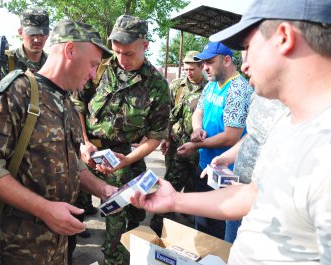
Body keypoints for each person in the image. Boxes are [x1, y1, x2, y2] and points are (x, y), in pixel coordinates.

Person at [132, 0, 331, 263]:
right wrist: (174, 201)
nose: (244, 63)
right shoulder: (287, 124)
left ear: (284, 37)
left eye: (248, 47)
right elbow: (253, 194)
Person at [0, 20, 115, 265]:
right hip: (19, 246)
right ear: (69, 50)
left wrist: (104, 190)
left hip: (59, 241)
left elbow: (71, 164)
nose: (92, 74)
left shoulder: (65, 102)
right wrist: (45, 209)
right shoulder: (14, 94)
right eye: (93, 65)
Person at [72, 14, 170, 265]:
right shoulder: (100, 66)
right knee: (78, 202)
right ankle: (111, 256)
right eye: (117, 52)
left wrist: (126, 160)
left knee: (129, 207)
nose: (122, 59)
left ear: (145, 46)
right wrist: (83, 142)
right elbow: (78, 105)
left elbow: (155, 136)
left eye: (129, 53)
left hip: (123, 154)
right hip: (87, 147)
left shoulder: (157, 85)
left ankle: (121, 247)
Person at [177, 42, 253, 239]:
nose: (205, 68)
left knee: (218, 232)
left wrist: (195, 145)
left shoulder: (237, 89)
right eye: (203, 63)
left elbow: (231, 136)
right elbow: (199, 112)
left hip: (226, 174)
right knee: (201, 225)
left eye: (210, 62)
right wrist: (197, 129)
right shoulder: (211, 85)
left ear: (227, 60)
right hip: (206, 166)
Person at [206, 92, 285, 243]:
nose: (244, 67)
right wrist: (227, 157)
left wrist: (254, 194)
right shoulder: (260, 93)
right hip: (236, 196)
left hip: (266, 213)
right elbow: (253, 135)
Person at [149, 50, 206, 236]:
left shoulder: (209, 87)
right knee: (172, 180)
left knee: (194, 184)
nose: (188, 72)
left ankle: (188, 215)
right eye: (186, 68)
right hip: (177, 143)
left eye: (192, 69)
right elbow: (168, 113)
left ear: (201, 67)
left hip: (199, 148)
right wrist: (165, 137)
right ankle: (160, 221)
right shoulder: (177, 86)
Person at [0, 8, 49, 92]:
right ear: (20, 32)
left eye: (43, 32)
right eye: (32, 33)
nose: (37, 39)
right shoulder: (4, 60)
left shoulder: (52, 63)